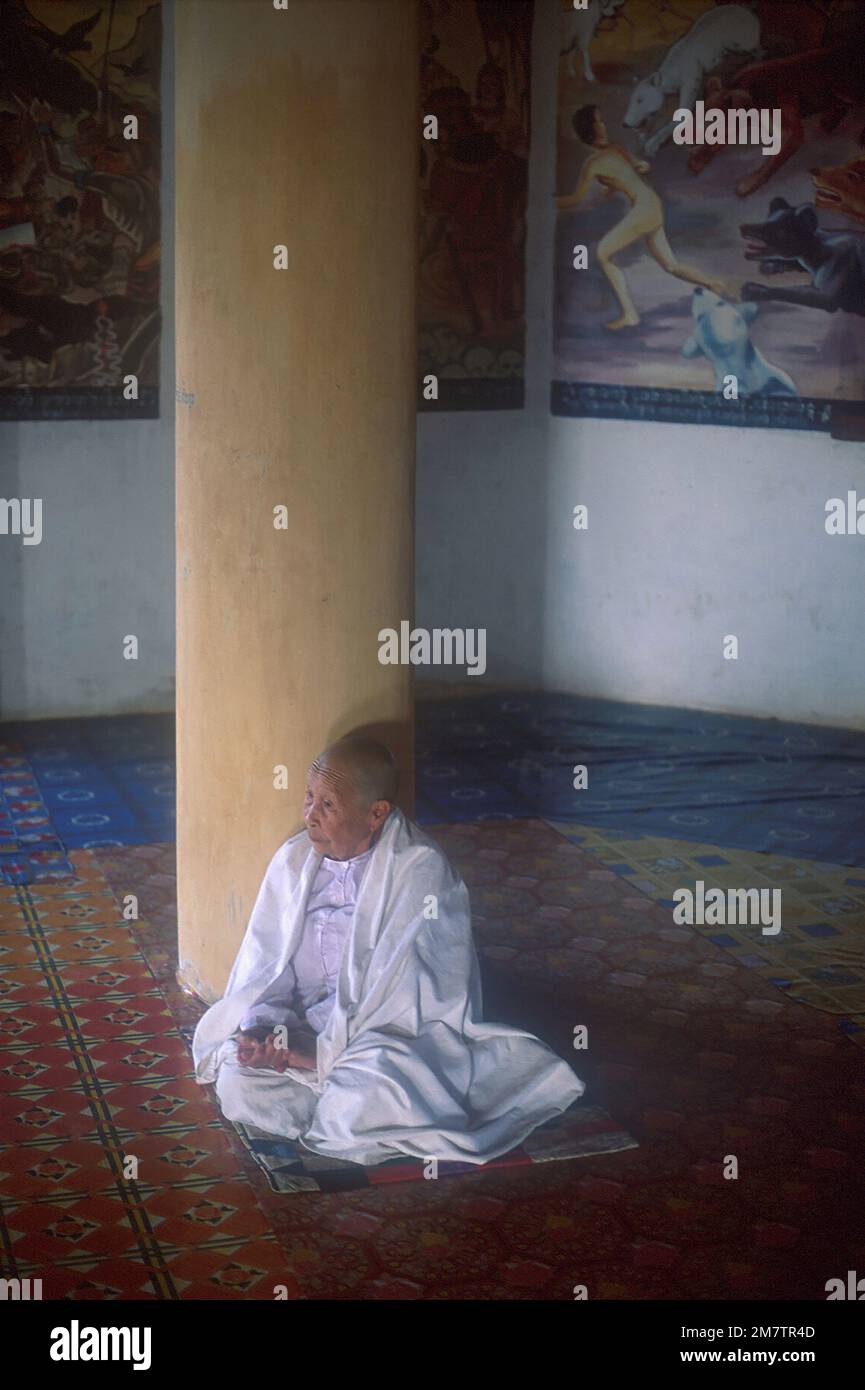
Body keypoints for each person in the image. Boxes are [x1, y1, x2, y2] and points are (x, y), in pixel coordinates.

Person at [193, 736, 584, 1166]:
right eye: (308, 797)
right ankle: (326, 1105)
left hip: (381, 1039)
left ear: (375, 813)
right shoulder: (292, 861)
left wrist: (322, 1054)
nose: (310, 815)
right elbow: (265, 966)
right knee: (238, 1080)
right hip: (301, 1028)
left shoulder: (420, 870)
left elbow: (409, 1000)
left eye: (328, 805)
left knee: (367, 1095)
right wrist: (271, 1035)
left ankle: (334, 1104)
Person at [557, 104, 727, 329]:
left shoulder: (596, 162)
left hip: (645, 208)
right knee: (671, 266)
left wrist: (547, 202)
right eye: (598, 121)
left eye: (601, 120)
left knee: (602, 253)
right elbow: (634, 170)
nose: (603, 125)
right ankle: (713, 284)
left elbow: (577, 199)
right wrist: (625, 178)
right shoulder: (612, 152)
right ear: (590, 129)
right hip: (650, 204)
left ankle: (630, 314)